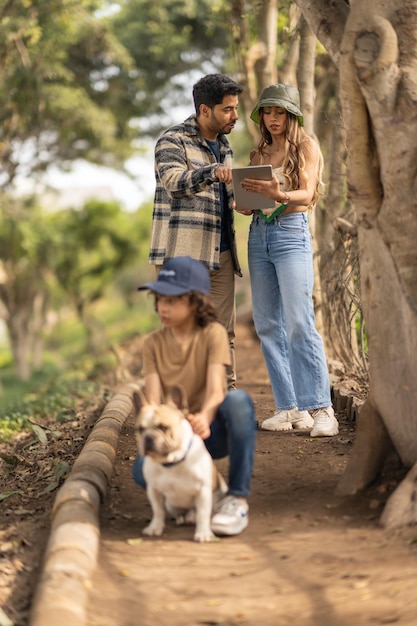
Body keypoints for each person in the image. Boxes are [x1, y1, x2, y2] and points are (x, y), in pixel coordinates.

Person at [236, 84, 339, 438]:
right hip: (259, 234)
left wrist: (276, 193)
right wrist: (245, 202)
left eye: (280, 112)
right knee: (267, 324)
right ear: (261, 116)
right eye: (268, 112)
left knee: (299, 321)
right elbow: (251, 200)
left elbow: (307, 195)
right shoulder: (259, 151)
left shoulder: (306, 146)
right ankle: (290, 408)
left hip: (291, 234)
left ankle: (322, 409)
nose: (273, 119)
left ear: (292, 115)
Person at [133, 256, 256, 535]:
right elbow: (152, 402)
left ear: (195, 301)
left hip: (210, 430)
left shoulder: (213, 334)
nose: (163, 307)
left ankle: (236, 498)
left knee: (239, 403)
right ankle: (187, 498)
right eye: (160, 300)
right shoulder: (153, 343)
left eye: (173, 300)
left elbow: (216, 390)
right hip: (174, 433)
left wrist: (203, 417)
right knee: (140, 471)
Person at [149, 73, 244, 390]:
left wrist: (242, 202)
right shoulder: (171, 140)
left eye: (235, 108)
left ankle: (224, 399)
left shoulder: (225, 145)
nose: (235, 116)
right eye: (228, 109)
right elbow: (174, 183)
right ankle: (178, 403)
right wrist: (212, 172)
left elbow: (221, 194)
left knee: (222, 332)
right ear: (205, 110)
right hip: (182, 254)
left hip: (222, 253)